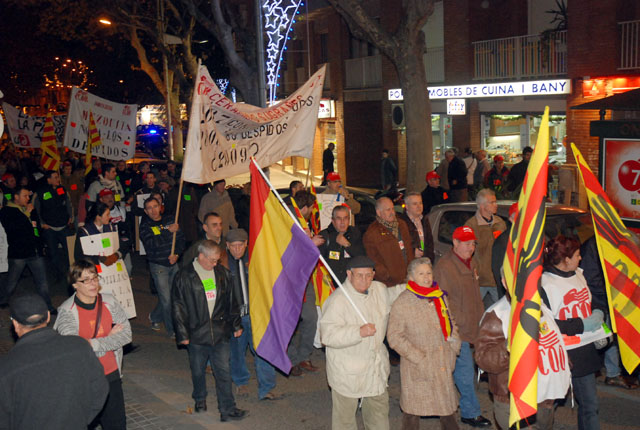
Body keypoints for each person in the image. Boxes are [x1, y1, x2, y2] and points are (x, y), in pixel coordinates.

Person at [320, 255, 406, 430]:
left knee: (379, 417)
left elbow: (393, 294)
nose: (364, 280)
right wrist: (357, 332)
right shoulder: (337, 301)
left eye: (368, 275)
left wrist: (415, 286)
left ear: (374, 274)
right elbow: (327, 335)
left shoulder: (378, 289)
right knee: (345, 421)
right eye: (359, 275)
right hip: (347, 372)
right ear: (349, 275)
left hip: (375, 369)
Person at [475, 275, 571, 430]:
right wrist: (510, 345)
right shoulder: (497, 314)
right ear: (505, 282)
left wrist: (564, 364)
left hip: (544, 397)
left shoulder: (539, 305)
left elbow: (552, 340)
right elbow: (483, 358)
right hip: (513, 400)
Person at [0, 293, 109, 429]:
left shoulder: (6, 368)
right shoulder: (79, 346)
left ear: (15, 324)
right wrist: (81, 419)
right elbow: (100, 388)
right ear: (47, 316)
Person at [172, 240, 247, 422]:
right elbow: (178, 307)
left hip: (220, 332)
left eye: (217, 260)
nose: (215, 263)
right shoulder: (184, 276)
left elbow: (232, 302)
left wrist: (236, 325)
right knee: (197, 370)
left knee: (223, 371)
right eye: (212, 260)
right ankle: (199, 398)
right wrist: (183, 334)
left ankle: (227, 409)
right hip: (197, 333)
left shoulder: (223, 274)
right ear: (201, 256)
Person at [54, 260, 132, 430]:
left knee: (117, 425)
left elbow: (126, 335)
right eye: (86, 280)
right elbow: (75, 350)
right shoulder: (67, 312)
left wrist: (93, 344)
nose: (93, 283)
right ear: (75, 285)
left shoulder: (109, 302)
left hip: (111, 374)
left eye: (95, 278)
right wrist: (109, 339)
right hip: (84, 379)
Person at [387, 258, 461, 430]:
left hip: (443, 361)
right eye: (421, 274)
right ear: (411, 277)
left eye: (428, 273)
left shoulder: (439, 296)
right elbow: (394, 337)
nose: (426, 277)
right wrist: (418, 357)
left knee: (447, 410)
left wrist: (454, 346)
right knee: (413, 411)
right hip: (418, 366)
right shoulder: (403, 302)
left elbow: (451, 323)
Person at [541, 235, 605, 430]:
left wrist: (597, 311)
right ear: (566, 259)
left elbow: (587, 298)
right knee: (548, 405)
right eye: (577, 255)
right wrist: (582, 325)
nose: (580, 258)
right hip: (560, 353)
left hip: (584, 349)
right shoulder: (545, 283)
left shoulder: (579, 273)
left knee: (590, 405)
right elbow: (547, 323)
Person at [433, 226, 491, 428]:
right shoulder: (445, 267)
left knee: (463, 371)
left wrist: (481, 317)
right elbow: (444, 302)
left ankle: (457, 407)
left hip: (473, 325)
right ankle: (471, 412)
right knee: (464, 372)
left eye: (473, 243)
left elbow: (475, 294)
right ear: (455, 243)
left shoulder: (471, 262)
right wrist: (459, 324)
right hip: (457, 329)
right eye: (466, 243)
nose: (471, 247)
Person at [227, 229, 282, 400]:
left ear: (246, 244)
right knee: (237, 351)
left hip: (257, 314)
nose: (237, 249)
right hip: (236, 316)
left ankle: (266, 388)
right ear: (227, 246)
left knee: (263, 350)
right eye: (233, 246)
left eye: (240, 245)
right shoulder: (222, 264)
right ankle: (241, 382)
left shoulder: (256, 260)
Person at [580, 236, 638, 389]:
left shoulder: (611, 243)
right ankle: (607, 372)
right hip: (599, 301)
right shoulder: (593, 245)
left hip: (611, 299)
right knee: (605, 336)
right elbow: (590, 278)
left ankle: (612, 372)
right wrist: (614, 291)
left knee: (610, 335)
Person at [288, 190, 325, 376]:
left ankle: (303, 355)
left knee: (310, 317)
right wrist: (311, 244)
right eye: (311, 208)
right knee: (291, 321)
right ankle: (291, 358)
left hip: (306, 277)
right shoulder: (287, 221)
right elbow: (289, 250)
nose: (312, 211)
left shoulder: (304, 222)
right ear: (304, 208)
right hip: (290, 279)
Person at [0, 186, 55, 312]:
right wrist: (27, 214)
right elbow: (14, 229)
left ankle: (48, 306)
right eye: (25, 196)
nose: (28, 198)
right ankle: (3, 299)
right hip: (19, 253)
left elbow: (36, 228)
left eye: (28, 196)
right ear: (16, 197)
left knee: (42, 282)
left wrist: (40, 244)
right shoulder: (6, 211)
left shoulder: (30, 209)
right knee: (12, 282)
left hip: (35, 251)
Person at [140, 197, 185, 336]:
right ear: (146, 211)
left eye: (155, 206)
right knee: (167, 300)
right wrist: (168, 232)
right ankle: (173, 330)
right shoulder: (145, 226)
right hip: (158, 266)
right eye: (149, 208)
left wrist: (176, 254)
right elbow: (152, 244)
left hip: (173, 264)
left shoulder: (170, 220)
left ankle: (155, 317)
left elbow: (181, 240)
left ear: (160, 207)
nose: (153, 210)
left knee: (171, 297)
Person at [465, 189, 506, 308]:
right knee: (473, 310)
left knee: (501, 311)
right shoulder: (471, 225)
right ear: (482, 205)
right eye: (492, 202)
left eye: (495, 202)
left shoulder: (500, 223)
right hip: (480, 279)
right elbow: (467, 252)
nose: (496, 205)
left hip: (497, 278)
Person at [363, 197, 414, 287]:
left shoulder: (402, 224)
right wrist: (386, 275)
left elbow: (409, 246)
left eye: (392, 209)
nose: (392, 212)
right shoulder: (372, 233)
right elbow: (373, 259)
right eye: (388, 210)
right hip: (389, 283)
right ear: (379, 212)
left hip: (409, 278)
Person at [33, 170, 73, 281]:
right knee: (53, 253)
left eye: (58, 177)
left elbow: (68, 203)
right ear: (48, 180)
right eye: (55, 177)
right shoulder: (40, 192)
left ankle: (73, 273)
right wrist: (42, 223)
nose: (58, 179)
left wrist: (70, 217)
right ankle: (58, 274)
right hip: (49, 228)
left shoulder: (62, 189)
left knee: (69, 252)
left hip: (63, 226)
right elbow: (35, 210)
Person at [319, 205, 365, 284]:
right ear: (333, 221)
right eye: (339, 218)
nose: (342, 222)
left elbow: (362, 258)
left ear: (349, 220)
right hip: (330, 285)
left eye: (345, 218)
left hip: (351, 284)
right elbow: (318, 263)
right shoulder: (324, 236)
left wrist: (347, 245)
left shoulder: (355, 233)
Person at [74, 202, 126, 269]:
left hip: (112, 264)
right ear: (98, 217)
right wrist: (99, 259)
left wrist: (117, 254)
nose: (110, 217)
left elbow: (121, 244)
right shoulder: (84, 232)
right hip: (93, 267)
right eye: (107, 215)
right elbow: (79, 255)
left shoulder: (111, 227)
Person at [398, 191, 435, 262]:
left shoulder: (424, 220)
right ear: (407, 206)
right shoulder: (401, 222)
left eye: (420, 203)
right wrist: (412, 252)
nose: (419, 206)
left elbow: (429, 242)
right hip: (409, 262)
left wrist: (429, 258)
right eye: (415, 204)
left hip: (424, 261)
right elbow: (399, 244)